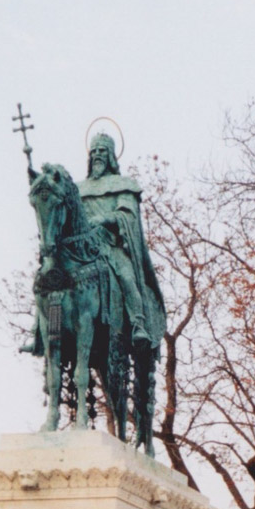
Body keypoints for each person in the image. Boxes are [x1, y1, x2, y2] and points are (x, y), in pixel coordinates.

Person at [78, 133, 166, 355]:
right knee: (51, 277)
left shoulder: (123, 185)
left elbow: (127, 215)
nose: (97, 155)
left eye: (102, 150)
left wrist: (104, 219)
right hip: (82, 249)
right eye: (94, 151)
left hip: (111, 245)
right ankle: (42, 331)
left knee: (127, 277)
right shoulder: (78, 189)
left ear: (111, 155)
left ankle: (138, 324)